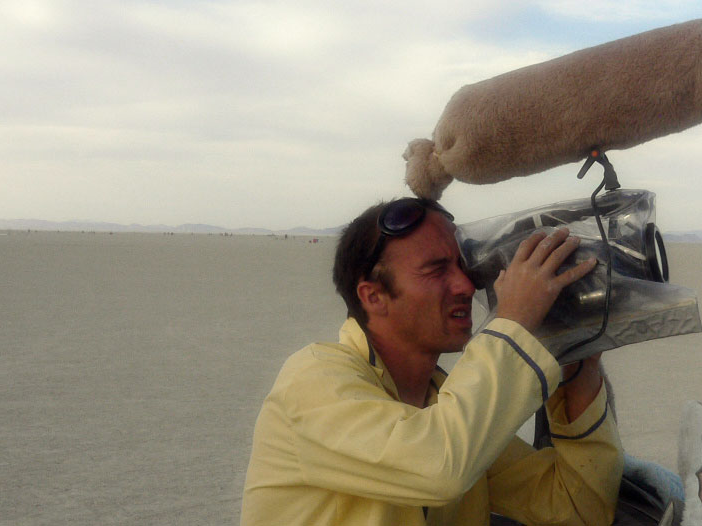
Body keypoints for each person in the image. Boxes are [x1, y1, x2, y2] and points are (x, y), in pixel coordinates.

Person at [241, 198, 623, 526]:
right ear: (373, 297)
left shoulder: (449, 414)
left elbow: (578, 507)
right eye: (437, 270)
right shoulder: (312, 379)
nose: (466, 285)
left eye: (462, 266)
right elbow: (440, 467)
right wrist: (514, 321)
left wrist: (578, 364)